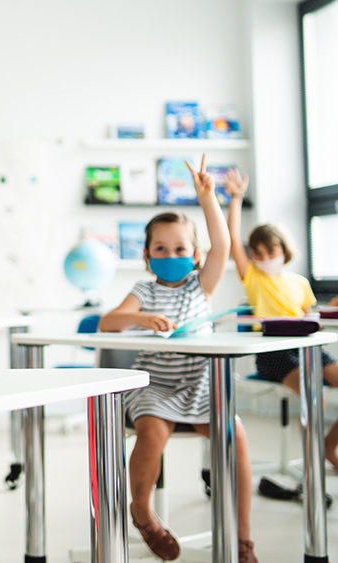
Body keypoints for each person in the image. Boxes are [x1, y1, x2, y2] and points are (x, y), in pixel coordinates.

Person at [99, 155, 258, 562]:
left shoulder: (201, 286)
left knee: (236, 436)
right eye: (161, 248)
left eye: (180, 248)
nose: (171, 254)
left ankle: (242, 539)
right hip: (155, 386)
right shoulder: (144, 290)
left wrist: (207, 199)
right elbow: (108, 323)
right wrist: (140, 317)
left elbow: (223, 245)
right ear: (147, 255)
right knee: (152, 433)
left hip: (202, 385)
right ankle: (142, 512)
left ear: (196, 254)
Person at [225, 169, 338, 471]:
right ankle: (314, 462)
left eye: (270, 251)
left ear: (283, 250)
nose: (264, 259)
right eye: (257, 253)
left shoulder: (300, 282)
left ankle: (328, 446)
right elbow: (232, 238)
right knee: (314, 395)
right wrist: (236, 197)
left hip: (308, 349)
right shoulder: (253, 278)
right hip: (274, 354)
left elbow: (311, 318)